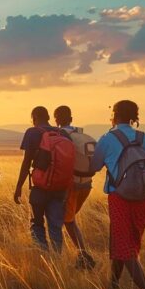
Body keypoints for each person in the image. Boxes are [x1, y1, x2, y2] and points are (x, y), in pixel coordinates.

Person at [88, 100, 145, 289]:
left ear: (115, 115)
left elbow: (94, 166)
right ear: (134, 117)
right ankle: (113, 287)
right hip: (143, 197)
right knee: (128, 242)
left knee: (125, 249)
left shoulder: (108, 138)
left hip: (119, 197)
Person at [14, 106, 69, 252]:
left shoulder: (32, 132)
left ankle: (42, 255)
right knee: (55, 225)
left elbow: (27, 162)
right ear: (49, 117)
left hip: (41, 187)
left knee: (37, 222)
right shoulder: (62, 133)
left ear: (34, 118)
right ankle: (57, 260)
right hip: (60, 187)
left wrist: (18, 186)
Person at [55, 105, 98, 269]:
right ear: (71, 119)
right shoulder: (82, 136)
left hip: (71, 184)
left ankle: (83, 255)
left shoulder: (61, 135)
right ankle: (81, 254)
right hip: (87, 184)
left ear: (56, 119)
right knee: (69, 219)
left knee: (68, 220)